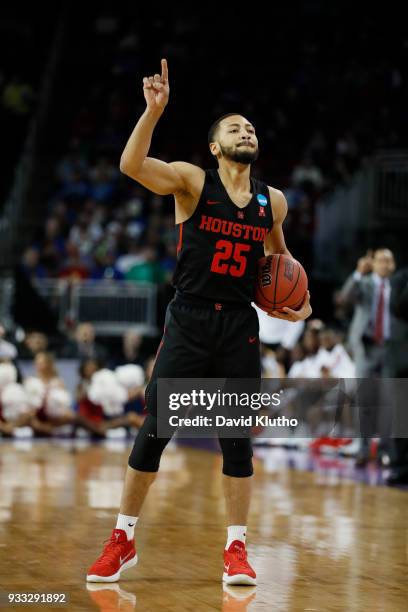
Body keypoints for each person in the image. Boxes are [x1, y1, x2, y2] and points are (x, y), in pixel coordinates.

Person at [87, 59, 312, 586]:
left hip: (239, 325)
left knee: (237, 439)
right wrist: (153, 111)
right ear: (215, 146)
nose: (246, 131)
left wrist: (294, 304)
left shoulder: (271, 202)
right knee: (156, 429)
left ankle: (236, 549)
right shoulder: (192, 182)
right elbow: (131, 165)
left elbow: (280, 267)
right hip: (188, 318)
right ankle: (122, 538)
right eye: (234, 127)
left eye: (250, 128)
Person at [338, 248, 395, 465]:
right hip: (366, 346)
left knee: (389, 401)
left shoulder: (396, 287)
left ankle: (384, 451)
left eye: (389, 261)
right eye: (381, 260)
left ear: (393, 265)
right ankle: (362, 449)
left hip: (390, 349)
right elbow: (345, 298)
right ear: (374, 263)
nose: (385, 264)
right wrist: (358, 274)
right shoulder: (365, 283)